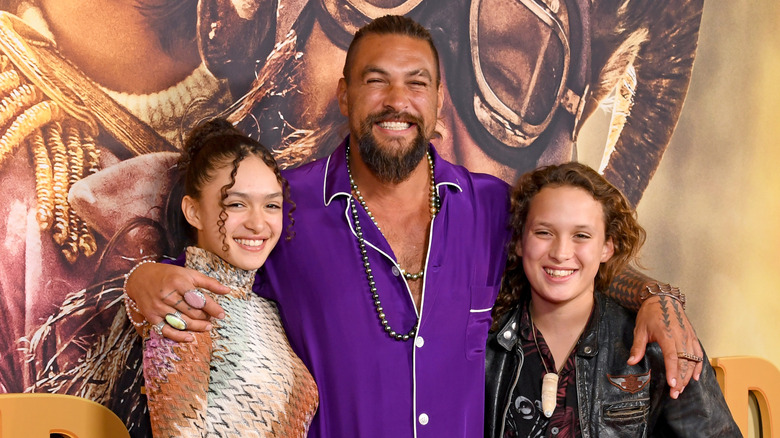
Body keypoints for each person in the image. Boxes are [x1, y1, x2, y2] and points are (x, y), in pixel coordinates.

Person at [125, 15, 701, 438]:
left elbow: (568, 260)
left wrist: (653, 294)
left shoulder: (492, 206)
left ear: (438, 98)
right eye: (376, 80)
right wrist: (143, 281)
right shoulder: (286, 204)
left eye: (417, 83)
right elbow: (208, 276)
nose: (397, 100)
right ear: (345, 95)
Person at [485, 162, 740, 437]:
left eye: (581, 236)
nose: (560, 252)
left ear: (607, 246)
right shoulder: (483, 342)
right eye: (544, 232)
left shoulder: (656, 343)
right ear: (520, 241)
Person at [134, 118, 318, 436]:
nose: (258, 224)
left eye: (271, 205)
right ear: (193, 212)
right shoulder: (185, 306)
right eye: (236, 204)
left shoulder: (268, 310)